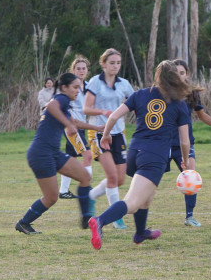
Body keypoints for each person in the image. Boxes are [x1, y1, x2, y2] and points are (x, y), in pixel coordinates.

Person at [88, 60, 192, 250]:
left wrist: (105, 136)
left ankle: (140, 232)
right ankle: (100, 221)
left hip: (134, 153)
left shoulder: (140, 94)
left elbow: (113, 116)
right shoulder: (179, 104)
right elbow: (185, 141)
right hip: (154, 157)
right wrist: (185, 162)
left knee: (147, 195)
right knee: (132, 203)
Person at [16, 73, 96, 235]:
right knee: (51, 197)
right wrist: (68, 124)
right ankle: (23, 223)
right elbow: (50, 107)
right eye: (74, 87)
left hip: (52, 152)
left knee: (84, 177)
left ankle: (87, 218)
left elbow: (75, 123)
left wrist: (100, 128)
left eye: (79, 87)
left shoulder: (65, 103)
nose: (77, 91)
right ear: (64, 87)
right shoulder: (62, 99)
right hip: (41, 154)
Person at [168, 59, 211, 227]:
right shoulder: (162, 93)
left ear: (187, 74)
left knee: (191, 176)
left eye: (182, 73)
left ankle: (189, 217)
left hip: (185, 142)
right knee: (149, 178)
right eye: (175, 73)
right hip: (163, 143)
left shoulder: (191, 93)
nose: (179, 76)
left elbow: (202, 115)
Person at [83, 48, 134, 229]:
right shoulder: (96, 82)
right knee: (112, 176)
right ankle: (115, 217)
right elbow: (86, 109)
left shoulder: (124, 84)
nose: (115, 66)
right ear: (103, 64)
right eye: (112, 63)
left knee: (119, 179)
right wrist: (102, 112)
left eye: (118, 63)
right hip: (98, 133)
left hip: (118, 134)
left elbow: (135, 102)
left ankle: (91, 196)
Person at [59, 55, 95, 199]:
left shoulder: (88, 87)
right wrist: (69, 121)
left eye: (83, 68)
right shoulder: (69, 88)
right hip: (71, 129)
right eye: (78, 68)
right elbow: (60, 106)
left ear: (87, 70)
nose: (81, 71)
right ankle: (87, 187)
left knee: (70, 158)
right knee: (87, 155)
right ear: (73, 70)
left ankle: (63, 191)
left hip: (82, 127)